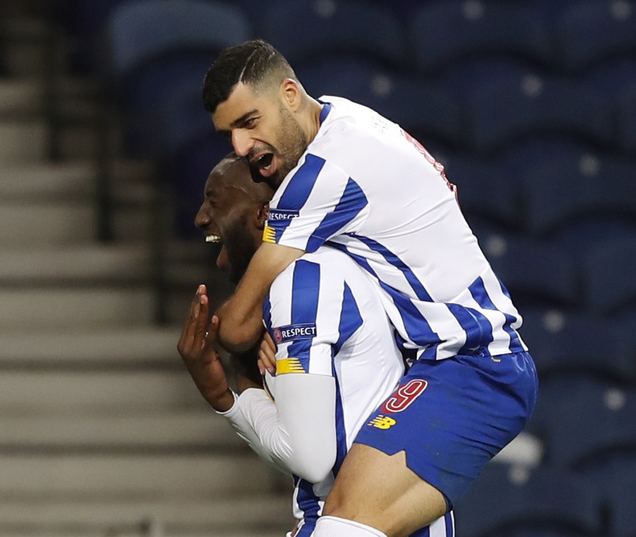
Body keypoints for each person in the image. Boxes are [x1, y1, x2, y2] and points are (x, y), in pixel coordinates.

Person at [201, 40, 538, 537]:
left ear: (290, 94)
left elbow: (236, 325)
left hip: (475, 364)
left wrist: (246, 348)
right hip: (446, 365)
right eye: (229, 132)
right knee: (340, 520)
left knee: (343, 524)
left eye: (249, 123)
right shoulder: (344, 118)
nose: (240, 147)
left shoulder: (323, 172)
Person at [177, 154, 454, 537]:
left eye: (215, 200)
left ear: (263, 215)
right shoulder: (333, 269)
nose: (202, 217)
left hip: (357, 522)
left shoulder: (302, 284)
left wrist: (235, 394)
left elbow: (309, 459)